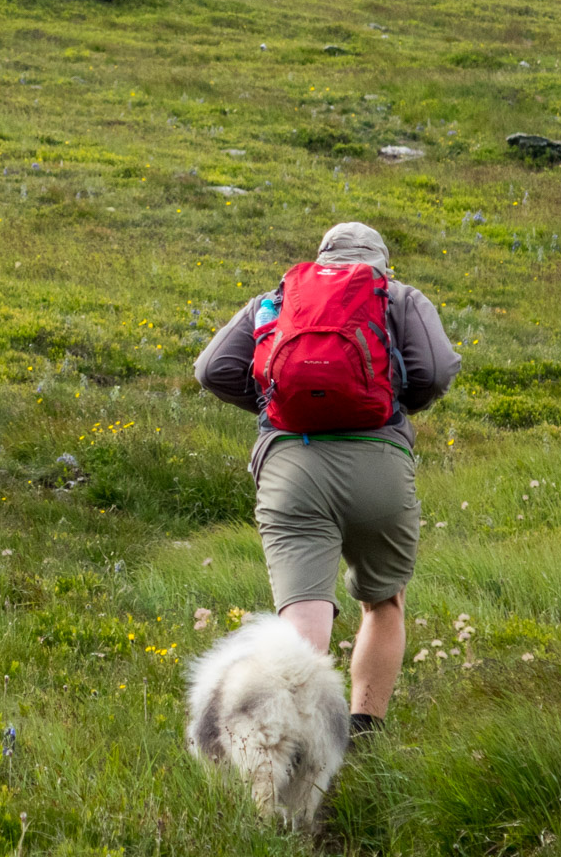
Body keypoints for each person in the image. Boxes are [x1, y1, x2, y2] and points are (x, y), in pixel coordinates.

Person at [193, 221, 461, 737]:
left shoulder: (277, 298)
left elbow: (212, 370)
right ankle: (363, 734)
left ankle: (291, 740)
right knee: (384, 602)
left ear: (321, 257)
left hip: (291, 469)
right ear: (382, 264)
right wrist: (395, 405)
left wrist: (276, 405)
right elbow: (435, 370)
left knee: (302, 617)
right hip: (379, 462)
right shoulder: (399, 299)